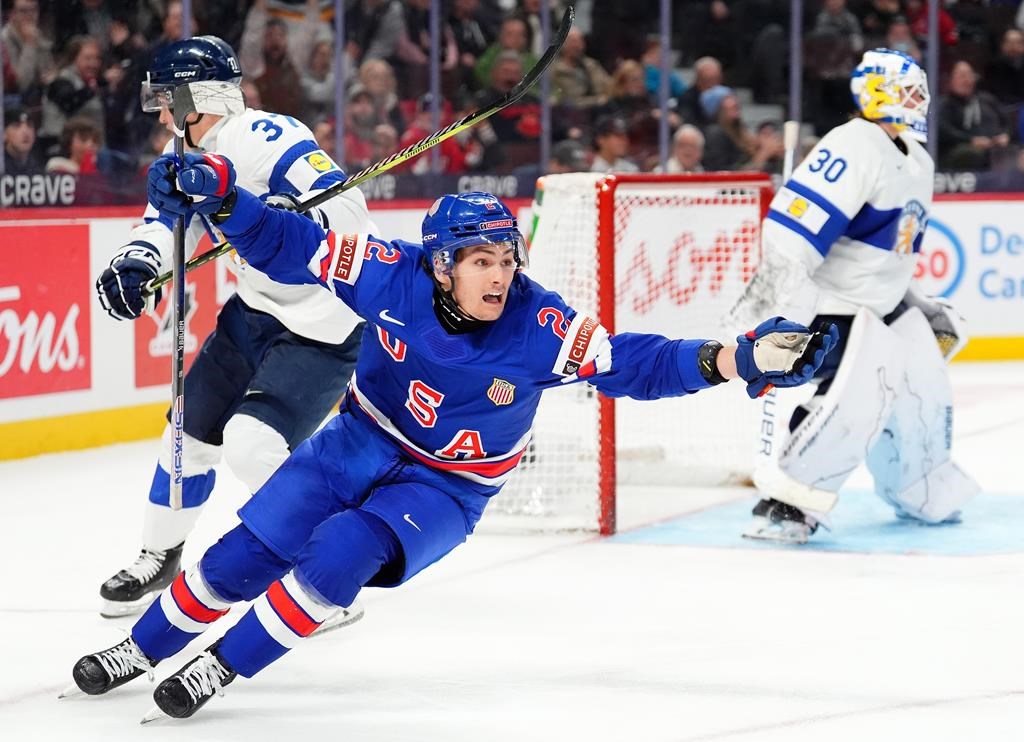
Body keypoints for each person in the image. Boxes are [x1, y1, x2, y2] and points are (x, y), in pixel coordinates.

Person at [68, 159, 837, 720]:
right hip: (360, 439)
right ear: (441, 266)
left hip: (446, 487)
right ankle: (140, 648)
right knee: (246, 552)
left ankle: (219, 669)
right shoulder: (388, 274)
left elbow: (637, 363)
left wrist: (733, 358)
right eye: (481, 261)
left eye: (506, 258)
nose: (500, 274)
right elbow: (289, 243)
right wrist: (228, 197)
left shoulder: (543, 326)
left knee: (342, 551)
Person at [90, 35, 371, 628]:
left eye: (167, 100)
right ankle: (159, 554)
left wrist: (281, 216)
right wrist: (138, 265)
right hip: (254, 312)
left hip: (321, 324)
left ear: (197, 96)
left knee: (252, 444)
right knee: (186, 434)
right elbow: (165, 224)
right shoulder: (183, 151)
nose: (162, 115)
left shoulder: (270, 137)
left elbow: (348, 217)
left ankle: (324, 571)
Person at [727, 48, 978, 544]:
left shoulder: (917, 160)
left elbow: (888, 253)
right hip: (835, 309)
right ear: (879, 93)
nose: (920, 100)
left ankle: (921, 486)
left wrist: (919, 302)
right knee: (856, 396)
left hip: (882, 305)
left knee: (924, 384)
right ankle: (788, 501)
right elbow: (791, 231)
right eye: (909, 91)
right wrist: (784, 305)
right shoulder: (852, 145)